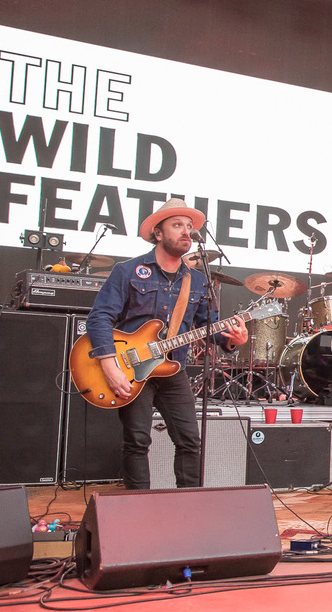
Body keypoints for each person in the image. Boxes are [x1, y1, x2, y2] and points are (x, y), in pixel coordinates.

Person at [87, 198, 248, 490]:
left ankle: (188, 508)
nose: (186, 232)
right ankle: (140, 509)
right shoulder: (129, 271)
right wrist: (109, 366)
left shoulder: (197, 281)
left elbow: (206, 325)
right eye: (177, 225)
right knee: (137, 441)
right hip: (131, 368)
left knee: (190, 441)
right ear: (158, 233)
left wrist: (230, 340)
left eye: (190, 226)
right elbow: (98, 319)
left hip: (172, 369)